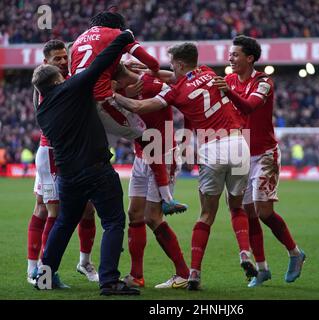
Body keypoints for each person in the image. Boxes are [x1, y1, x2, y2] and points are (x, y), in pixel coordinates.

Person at [113, 42, 257, 290]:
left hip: (184, 151)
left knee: (195, 215)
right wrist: (145, 69)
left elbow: (141, 105)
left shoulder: (171, 91)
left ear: (179, 64)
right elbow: (176, 76)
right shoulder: (207, 72)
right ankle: (244, 252)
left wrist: (109, 95)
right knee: (235, 207)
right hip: (237, 143)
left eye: (172, 64)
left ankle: (189, 273)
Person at [32, 30, 139, 296]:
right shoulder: (72, 88)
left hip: (68, 175)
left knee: (65, 222)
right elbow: (100, 62)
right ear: (57, 79)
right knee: (113, 221)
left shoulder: (43, 111)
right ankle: (109, 281)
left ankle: (44, 276)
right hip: (96, 168)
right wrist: (123, 38)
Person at [70, 11, 186, 215]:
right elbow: (155, 65)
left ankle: (82, 190)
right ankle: (167, 199)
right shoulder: (118, 35)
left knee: (93, 146)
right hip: (102, 102)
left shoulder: (78, 41)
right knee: (148, 139)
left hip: (77, 106)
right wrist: (137, 74)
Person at [213, 35, 306, 287]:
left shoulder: (264, 82)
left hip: (265, 154)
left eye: (235, 54)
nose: (230, 58)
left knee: (264, 212)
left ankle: (296, 253)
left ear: (249, 58)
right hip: (241, 155)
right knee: (248, 213)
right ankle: (262, 268)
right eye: (230, 54)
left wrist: (227, 92)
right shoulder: (229, 80)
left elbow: (249, 107)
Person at [27, 40, 98, 285]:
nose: (63, 62)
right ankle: (42, 271)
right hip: (53, 154)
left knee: (87, 209)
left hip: (71, 153)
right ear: (46, 62)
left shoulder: (69, 78)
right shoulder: (46, 85)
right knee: (49, 211)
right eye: (57, 59)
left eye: (64, 57)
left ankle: (84, 263)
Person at [113, 65, 190, 289]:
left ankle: (183, 273)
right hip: (142, 155)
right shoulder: (128, 89)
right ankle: (136, 275)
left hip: (163, 154)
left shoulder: (151, 85)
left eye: (111, 81)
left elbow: (174, 78)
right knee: (135, 214)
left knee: (153, 217)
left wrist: (113, 94)